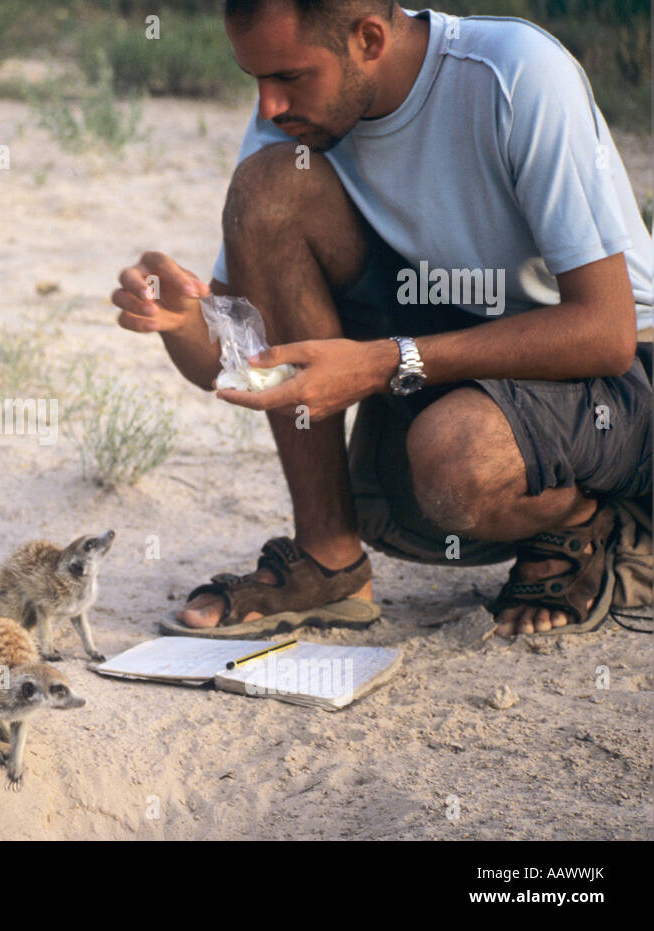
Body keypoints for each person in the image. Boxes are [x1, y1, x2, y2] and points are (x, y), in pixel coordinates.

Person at [112, 0, 652, 639]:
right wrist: (178, 322)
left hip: (616, 380)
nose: (268, 107)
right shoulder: (297, 126)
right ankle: (329, 562)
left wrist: (383, 361)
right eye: (255, 79)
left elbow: (607, 333)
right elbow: (242, 360)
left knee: (459, 460)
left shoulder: (514, 73)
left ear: (369, 38)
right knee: (269, 189)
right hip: (460, 365)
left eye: (288, 77)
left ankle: (594, 525)